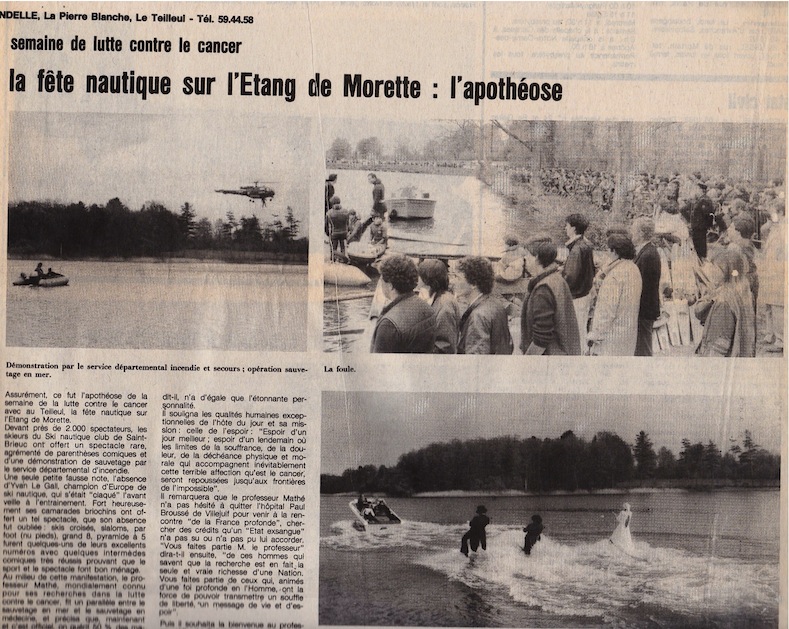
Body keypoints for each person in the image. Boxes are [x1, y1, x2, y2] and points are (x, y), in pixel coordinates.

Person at [520, 239, 581, 355]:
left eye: (527, 255)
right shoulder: (556, 278)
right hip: (563, 353)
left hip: (549, 359)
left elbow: (541, 339)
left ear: (537, 258)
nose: (525, 259)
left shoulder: (543, 289)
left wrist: (527, 363)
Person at [587, 233, 643, 356]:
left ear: (614, 251)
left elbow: (607, 310)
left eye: (608, 250)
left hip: (610, 338)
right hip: (628, 333)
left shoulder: (615, 275)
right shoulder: (634, 269)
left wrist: (596, 334)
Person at [694, 248, 756, 357]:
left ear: (726, 272)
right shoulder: (744, 292)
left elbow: (718, 345)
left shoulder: (724, 301)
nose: (711, 272)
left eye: (715, 268)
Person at [370, 255, 437, 353]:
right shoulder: (428, 309)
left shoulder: (388, 325)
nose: (380, 283)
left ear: (390, 286)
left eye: (381, 280)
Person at [453, 257, 513, 355]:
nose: (453, 282)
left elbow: (476, 360)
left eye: (458, 278)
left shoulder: (478, 316)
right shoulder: (495, 304)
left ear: (473, 284)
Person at [631, 217, 662, 356]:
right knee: (641, 345)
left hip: (644, 308)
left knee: (643, 348)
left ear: (641, 233)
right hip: (645, 308)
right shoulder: (647, 251)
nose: (632, 233)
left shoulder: (648, 254)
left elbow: (642, 284)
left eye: (634, 230)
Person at [563, 213, 595, 342]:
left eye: (567, 225)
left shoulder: (576, 249)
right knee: (581, 329)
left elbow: (570, 277)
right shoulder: (586, 245)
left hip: (576, 297)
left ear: (573, 228)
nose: (565, 228)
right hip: (584, 295)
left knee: (575, 333)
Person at [417, 259, 461, 354]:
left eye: (420, 275)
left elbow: (445, 346)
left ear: (427, 279)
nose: (417, 278)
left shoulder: (445, 305)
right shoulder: (437, 297)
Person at [759, 201, 785, 352]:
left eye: (772, 212)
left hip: (779, 272)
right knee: (768, 304)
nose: (770, 215)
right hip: (769, 271)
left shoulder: (784, 228)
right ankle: (770, 334)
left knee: (777, 306)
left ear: (781, 212)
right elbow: (764, 231)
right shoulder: (775, 227)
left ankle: (780, 339)